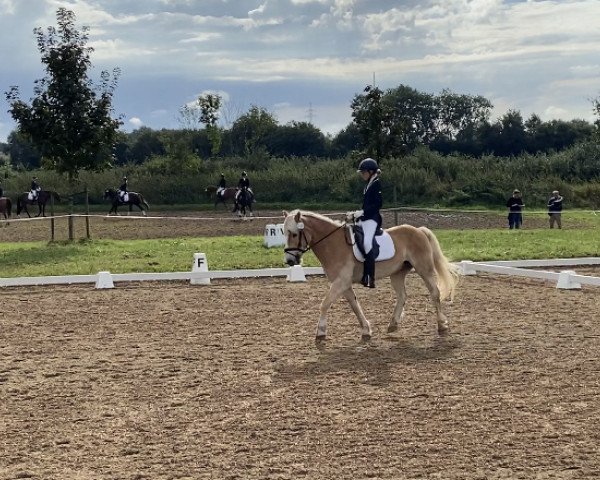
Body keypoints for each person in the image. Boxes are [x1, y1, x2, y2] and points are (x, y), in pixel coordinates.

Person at [349, 158, 383, 288]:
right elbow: (366, 205)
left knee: (367, 243)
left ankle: (370, 277)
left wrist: (362, 213)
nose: (362, 174)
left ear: (370, 171)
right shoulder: (368, 184)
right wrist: (356, 213)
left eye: (363, 172)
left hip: (372, 219)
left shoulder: (376, 183)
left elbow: (378, 204)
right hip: (365, 218)